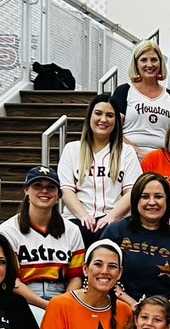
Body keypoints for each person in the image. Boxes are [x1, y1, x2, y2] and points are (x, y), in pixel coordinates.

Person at [101, 174, 170, 329]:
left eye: (158, 196)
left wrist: (168, 306)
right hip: (122, 304)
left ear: (167, 200)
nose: (152, 202)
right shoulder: (115, 232)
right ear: (135, 200)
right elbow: (103, 275)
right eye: (145, 196)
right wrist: (132, 304)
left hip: (166, 310)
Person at [0, 165, 84, 322]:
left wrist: (63, 303)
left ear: (58, 195)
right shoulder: (8, 229)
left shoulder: (72, 230)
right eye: (37, 185)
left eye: (51, 187)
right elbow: (11, 280)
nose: (44, 191)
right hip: (22, 297)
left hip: (62, 295)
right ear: (26, 190)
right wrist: (46, 305)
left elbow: (76, 276)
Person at [57, 94, 143, 245]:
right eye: (98, 113)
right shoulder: (71, 149)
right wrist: (83, 216)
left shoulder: (127, 151)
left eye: (110, 115)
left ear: (116, 121)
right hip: (76, 219)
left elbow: (132, 192)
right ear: (89, 116)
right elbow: (66, 189)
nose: (103, 119)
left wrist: (111, 217)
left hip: (116, 221)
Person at [111, 40, 170, 160]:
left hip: (163, 159)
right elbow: (112, 130)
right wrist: (136, 151)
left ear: (160, 63)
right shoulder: (124, 92)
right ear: (136, 64)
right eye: (144, 60)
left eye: (154, 60)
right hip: (128, 155)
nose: (149, 65)